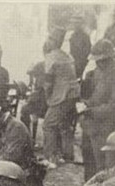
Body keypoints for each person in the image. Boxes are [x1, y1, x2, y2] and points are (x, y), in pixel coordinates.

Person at [79, 39, 115, 181]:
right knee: (88, 161)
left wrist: (91, 111)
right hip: (91, 126)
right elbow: (95, 97)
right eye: (97, 61)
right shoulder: (97, 74)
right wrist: (86, 104)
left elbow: (114, 106)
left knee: (102, 167)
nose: (99, 64)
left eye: (102, 61)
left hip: (106, 129)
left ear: (109, 59)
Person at [41, 29, 80, 168]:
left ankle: (50, 158)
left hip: (62, 95)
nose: (48, 41)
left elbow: (48, 82)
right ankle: (67, 155)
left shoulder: (51, 57)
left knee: (48, 125)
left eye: (50, 39)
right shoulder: (67, 56)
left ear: (54, 41)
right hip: (74, 94)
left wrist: (48, 97)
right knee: (65, 124)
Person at [19, 61, 47, 142]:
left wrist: (29, 98)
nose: (34, 76)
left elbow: (38, 94)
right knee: (26, 108)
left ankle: (27, 135)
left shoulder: (41, 79)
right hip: (46, 104)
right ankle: (29, 135)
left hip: (43, 107)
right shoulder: (43, 78)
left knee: (24, 109)